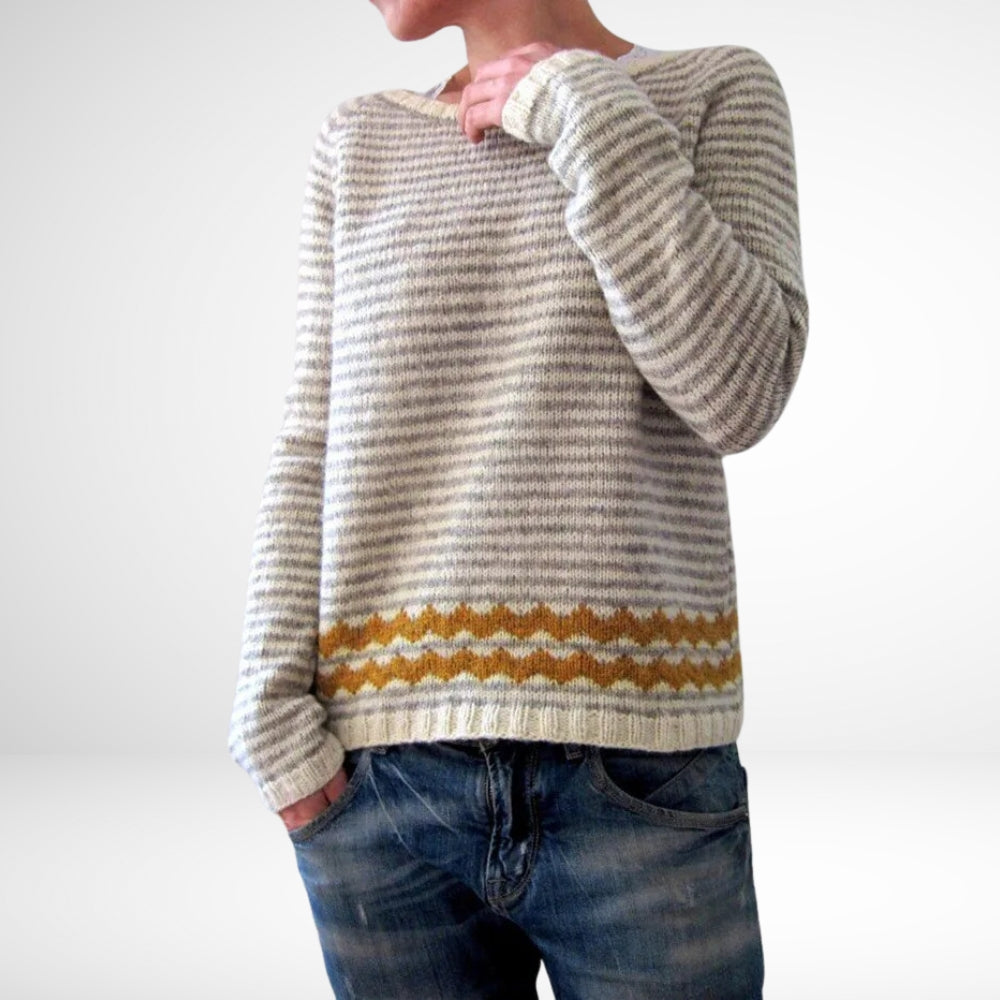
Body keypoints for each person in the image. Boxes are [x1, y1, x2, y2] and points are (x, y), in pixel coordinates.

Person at [228, 0, 808, 996]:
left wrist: (584, 109)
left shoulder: (714, 89)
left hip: (639, 771)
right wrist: (268, 711)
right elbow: (314, 435)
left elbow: (738, 393)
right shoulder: (358, 140)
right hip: (379, 785)